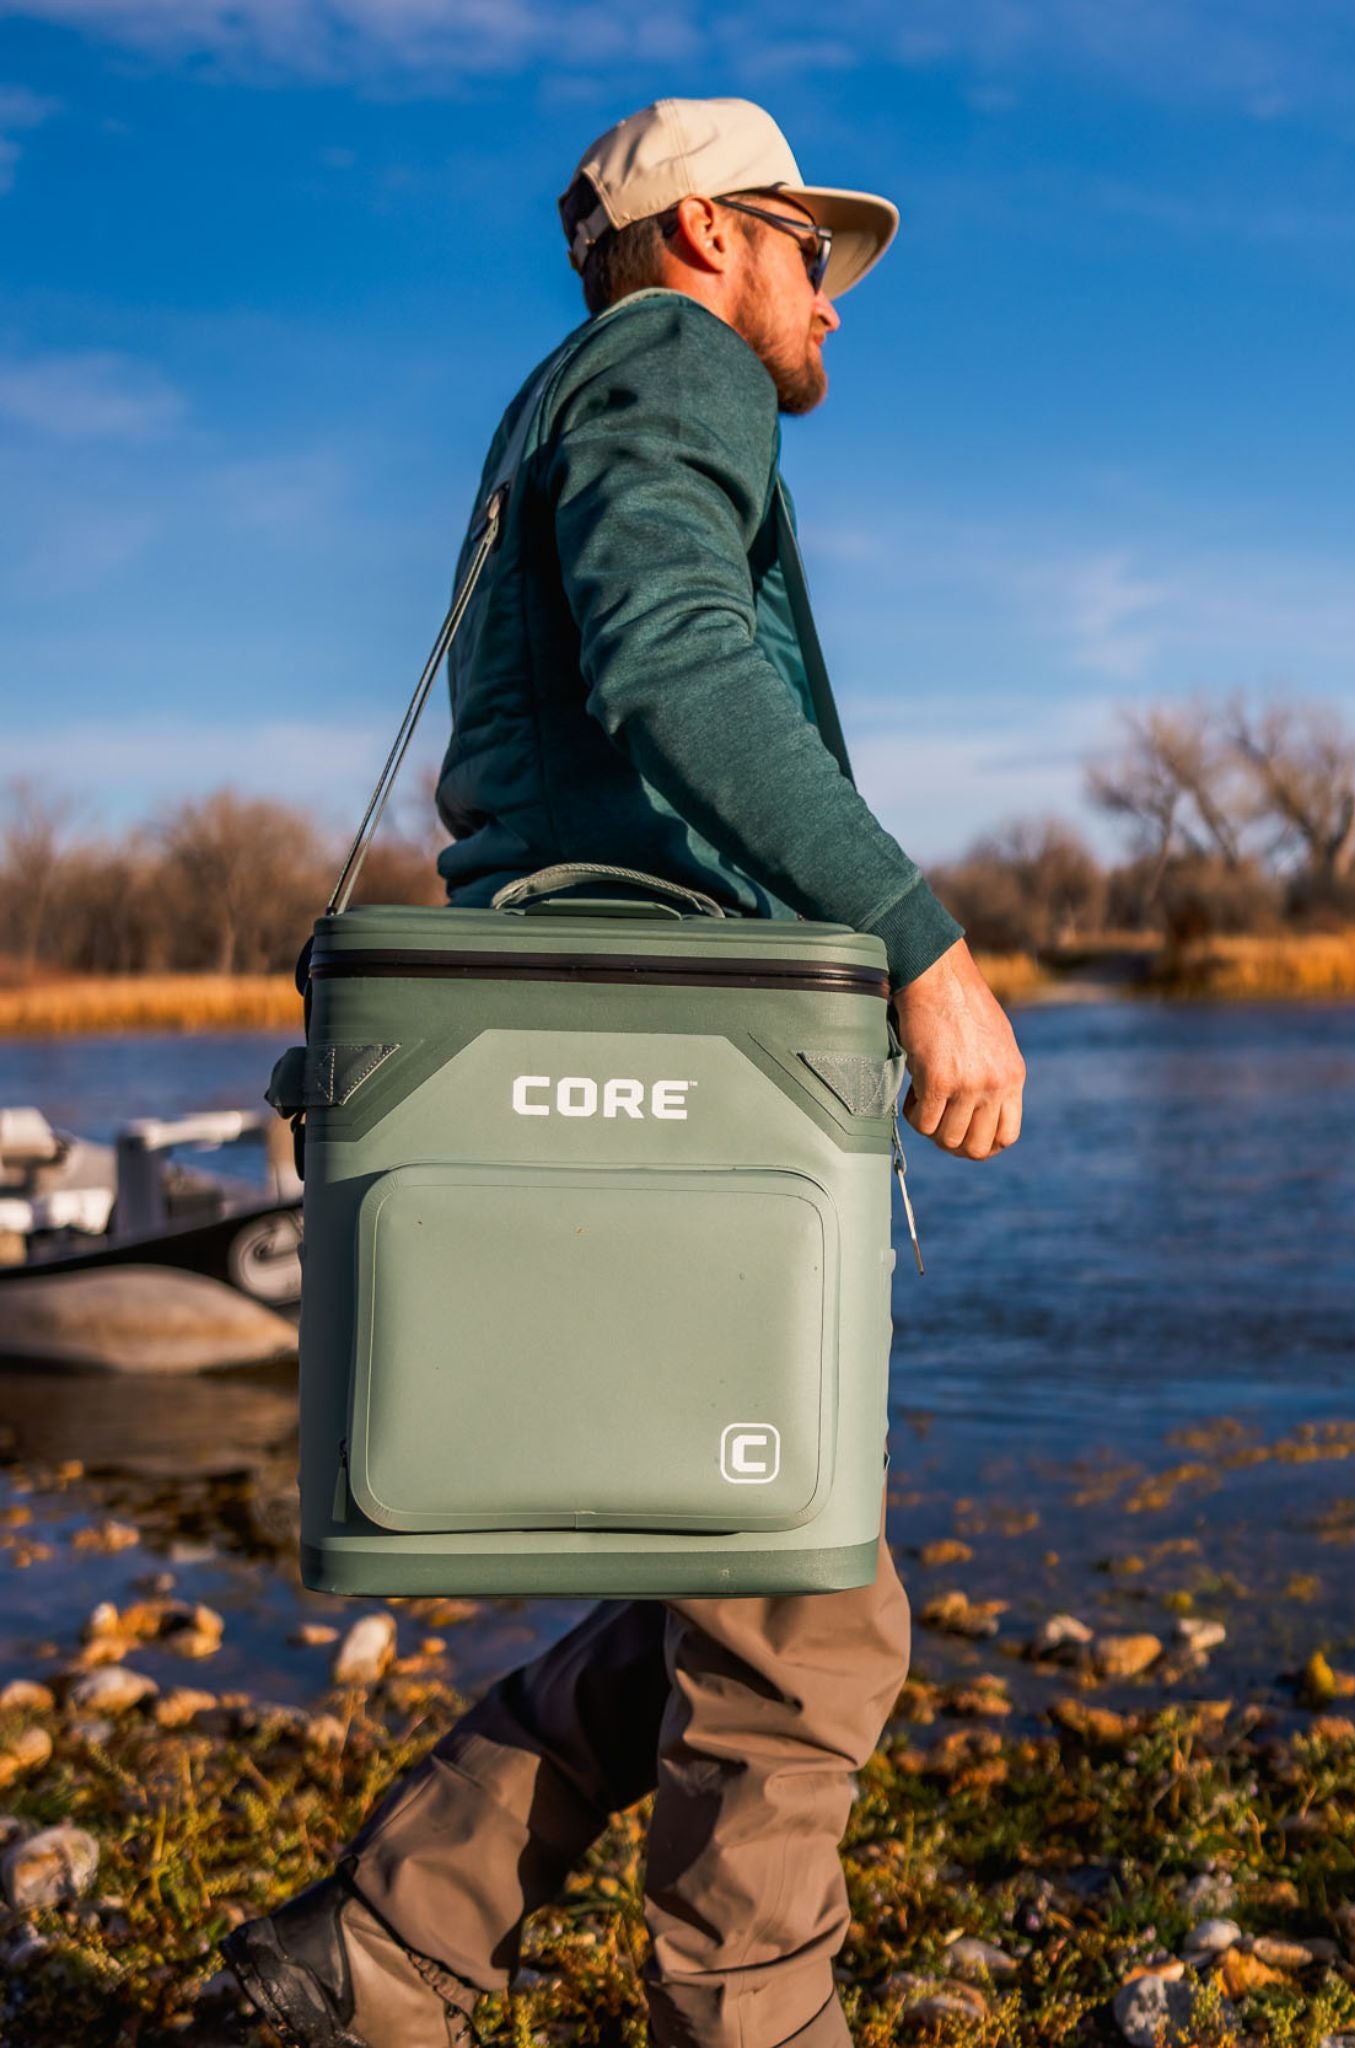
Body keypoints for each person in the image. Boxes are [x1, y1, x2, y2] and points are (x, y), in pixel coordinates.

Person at [225, 96, 1026, 2048]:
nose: (833, 304)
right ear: (707, 241)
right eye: (808, 254)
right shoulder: (672, 365)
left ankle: (393, 1945)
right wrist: (916, 936)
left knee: (734, 1559)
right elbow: (675, 657)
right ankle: (737, 2021)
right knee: (807, 1604)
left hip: (607, 1027)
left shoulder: (565, 394)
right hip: (672, 1043)